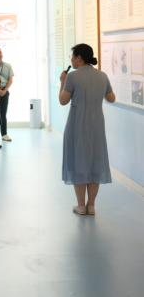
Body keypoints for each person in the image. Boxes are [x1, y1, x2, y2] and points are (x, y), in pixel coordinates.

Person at [59, 44, 115, 216]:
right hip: (97, 126)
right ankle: (91, 206)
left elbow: (63, 100)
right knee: (94, 162)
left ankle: (81, 206)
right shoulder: (102, 75)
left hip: (76, 125)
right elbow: (111, 98)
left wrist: (62, 81)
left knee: (78, 163)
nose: (71, 59)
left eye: (72, 56)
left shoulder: (72, 77)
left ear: (79, 58)